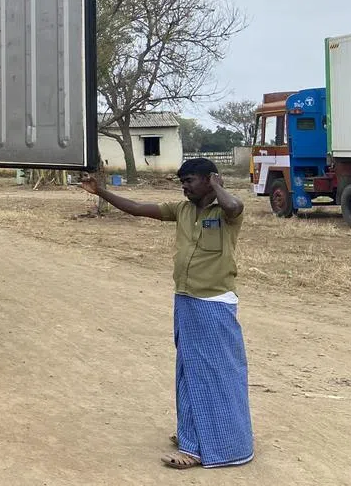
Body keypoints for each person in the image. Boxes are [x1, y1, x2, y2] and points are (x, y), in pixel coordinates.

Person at [81, 158, 254, 470]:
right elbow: (135, 207)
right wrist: (101, 192)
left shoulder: (226, 213)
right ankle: (193, 435)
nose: (185, 186)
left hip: (214, 303)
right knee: (189, 372)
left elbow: (235, 206)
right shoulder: (182, 210)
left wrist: (217, 186)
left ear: (210, 180)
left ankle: (214, 447)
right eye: (182, 181)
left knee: (216, 375)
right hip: (186, 299)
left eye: (190, 180)